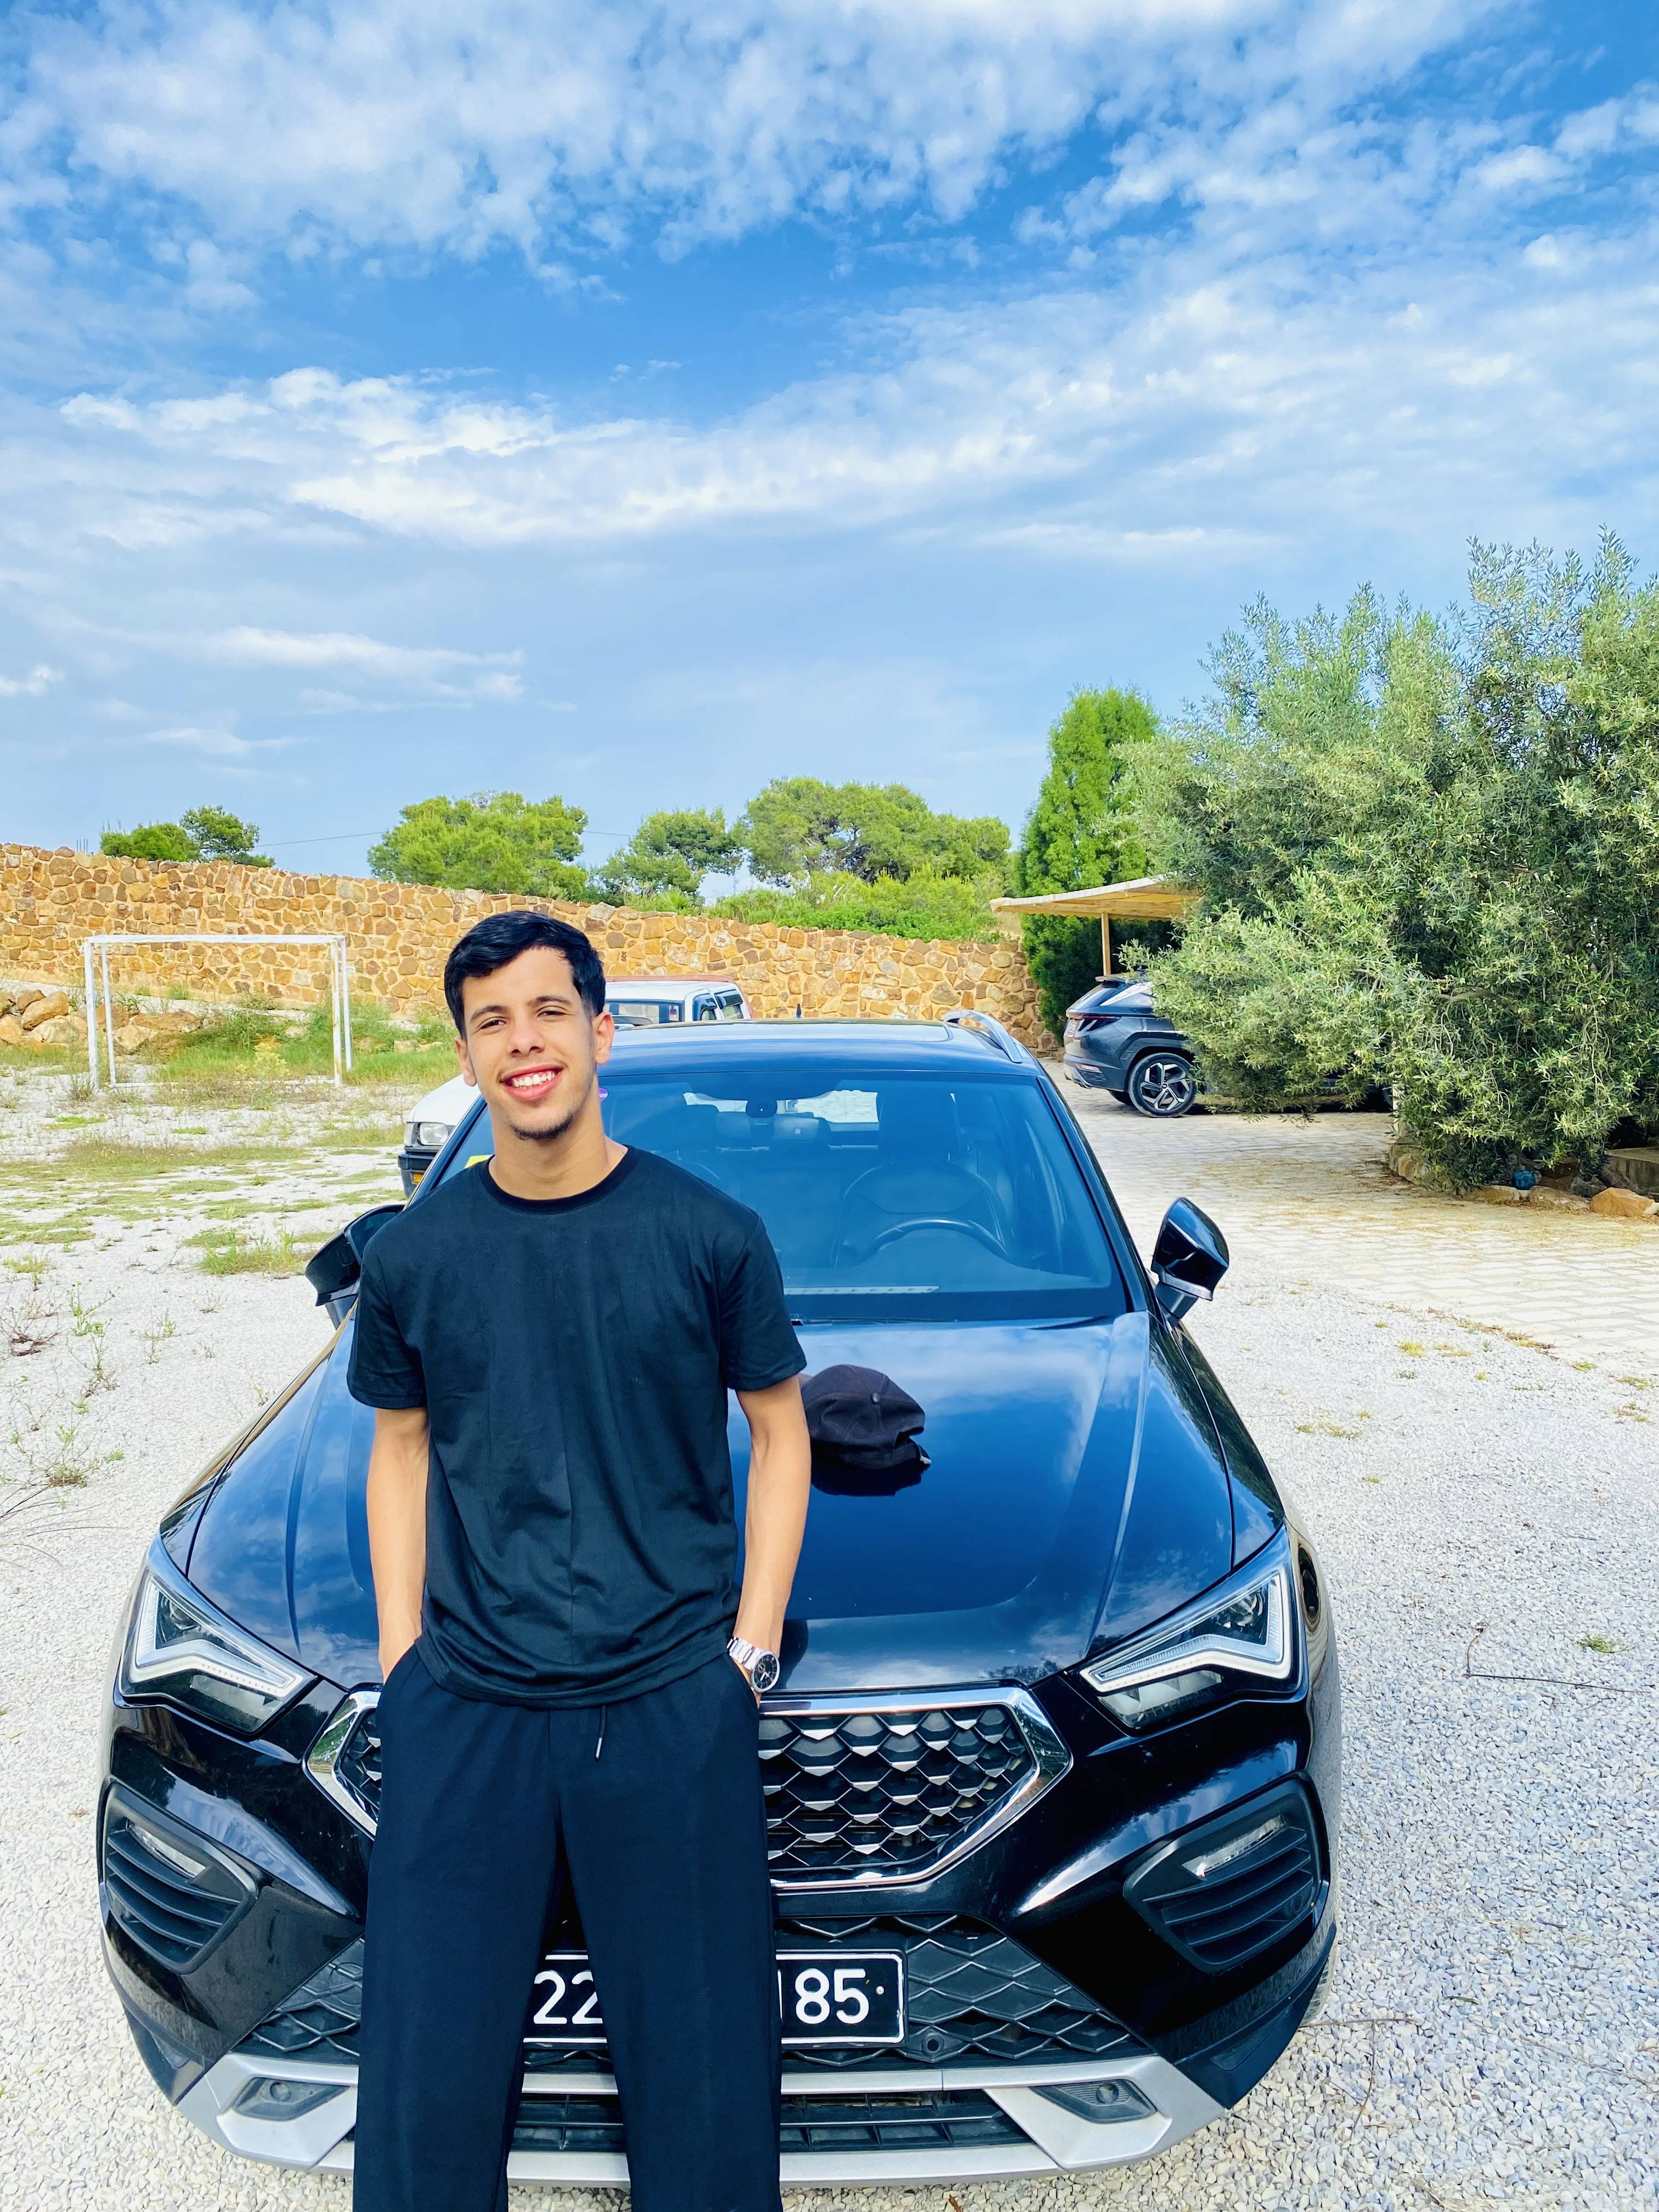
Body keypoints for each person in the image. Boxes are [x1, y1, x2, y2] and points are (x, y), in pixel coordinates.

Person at [346, 909, 811, 2212]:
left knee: (706, 2096)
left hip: (668, 1702)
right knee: (425, 2100)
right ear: (466, 1055)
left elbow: (782, 1436)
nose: (523, 1043)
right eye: (491, 1022)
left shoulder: (709, 1234)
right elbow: (399, 1453)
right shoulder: (415, 1256)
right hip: (468, 1708)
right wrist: (403, 1663)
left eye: (548, 1012)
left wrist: (747, 1655)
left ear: (601, 1033)